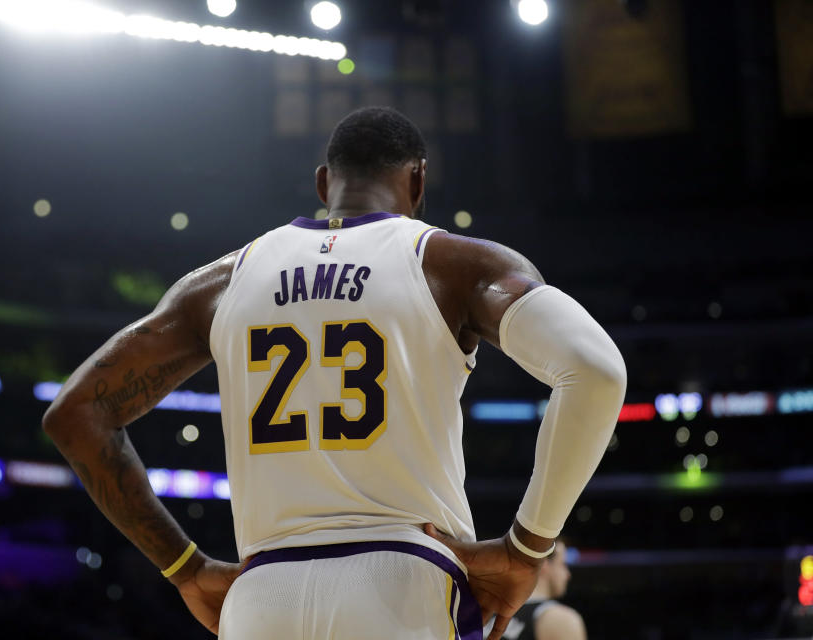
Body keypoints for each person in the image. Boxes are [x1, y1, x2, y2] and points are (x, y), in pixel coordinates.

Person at [42, 106, 627, 640]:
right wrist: (526, 548)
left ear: (324, 184)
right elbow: (595, 371)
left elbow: (76, 414)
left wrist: (185, 568)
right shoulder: (453, 263)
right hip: (404, 578)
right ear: (419, 181)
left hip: (261, 595)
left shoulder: (219, 283)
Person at [501, 541, 587, 640]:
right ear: (544, 564)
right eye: (563, 564)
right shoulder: (559, 619)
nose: (568, 574)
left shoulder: (489, 613)